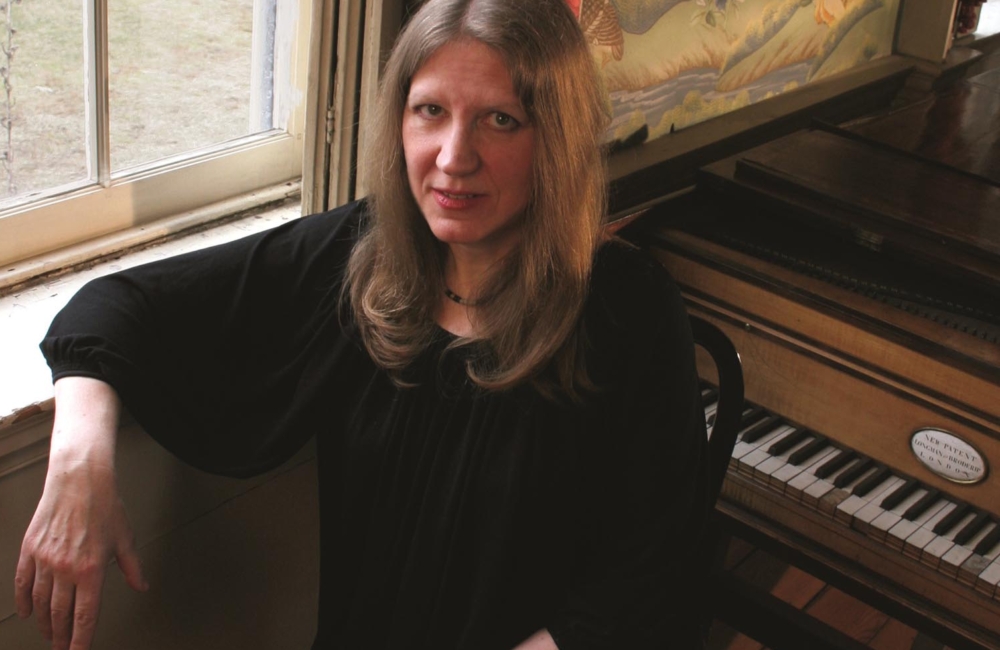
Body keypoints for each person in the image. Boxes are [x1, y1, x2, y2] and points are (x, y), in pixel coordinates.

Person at [15, 0, 709, 648]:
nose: (453, 156)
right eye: (430, 111)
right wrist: (80, 466)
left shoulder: (628, 310)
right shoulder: (363, 257)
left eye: (500, 120)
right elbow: (113, 308)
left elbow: (649, 580)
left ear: (556, 137)